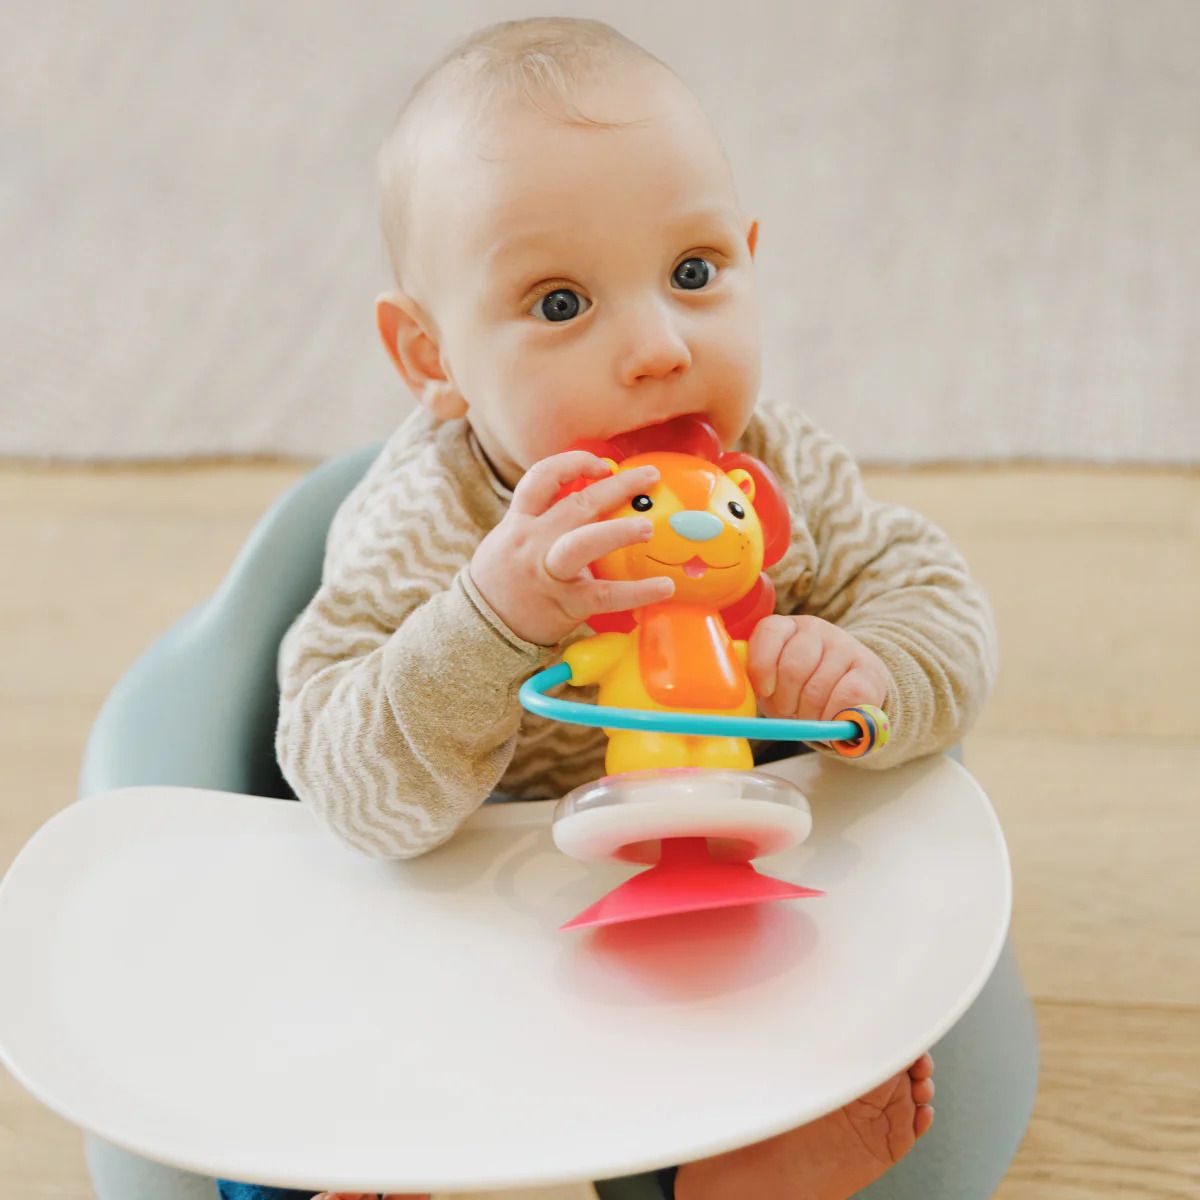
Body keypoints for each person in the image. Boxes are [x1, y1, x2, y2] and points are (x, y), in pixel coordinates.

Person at [224, 16, 997, 1200]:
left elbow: (937, 598)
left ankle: (744, 1159)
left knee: (832, 973)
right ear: (431, 357)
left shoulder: (776, 473)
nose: (656, 347)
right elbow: (342, 787)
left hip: (720, 883)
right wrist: (490, 620)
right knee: (326, 1035)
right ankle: (396, 1161)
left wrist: (869, 669)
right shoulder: (421, 527)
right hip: (492, 911)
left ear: (749, 257)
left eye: (693, 274)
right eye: (560, 302)